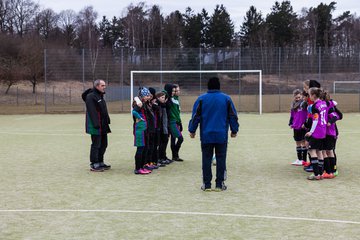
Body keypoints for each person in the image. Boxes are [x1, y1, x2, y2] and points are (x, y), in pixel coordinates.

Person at [188, 77, 239, 192]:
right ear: (219, 86)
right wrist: (234, 130)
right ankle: (219, 184)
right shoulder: (226, 99)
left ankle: (206, 185)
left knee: (206, 159)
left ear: (208, 86)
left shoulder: (201, 99)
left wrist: (192, 130)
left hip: (206, 135)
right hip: (221, 135)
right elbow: (232, 116)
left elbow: (196, 116)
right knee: (221, 159)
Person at [82, 79, 111, 172]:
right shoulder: (91, 96)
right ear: (97, 86)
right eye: (102, 85)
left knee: (104, 144)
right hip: (96, 125)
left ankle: (100, 161)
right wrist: (96, 124)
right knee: (96, 144)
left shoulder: (100, 95)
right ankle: (94, 164)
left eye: (104, 85)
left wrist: (107, 120)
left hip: (103, 124)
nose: (104, 87)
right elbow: (92, 112)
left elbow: (103, 109)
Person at [305, 87, 328, 180]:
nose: (309, 97)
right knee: (319, 152)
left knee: (312, 151)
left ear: (313, 95)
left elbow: (315, 119)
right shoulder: (324, 103)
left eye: (309, 95)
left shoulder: (315, 106)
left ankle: (316, 174)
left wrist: (311, 131)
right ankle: (321, 173)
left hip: (316, 131)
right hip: (323, 130)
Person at [132, 87, 153, 174]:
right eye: (147, 95)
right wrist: (140, 118)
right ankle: (137, 169)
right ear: (143, 96)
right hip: (140, 129)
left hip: (144, 129)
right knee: (140, 149)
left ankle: (142, 166)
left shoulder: (143, 102)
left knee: (144, 148)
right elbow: (134, 112)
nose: (149, 97)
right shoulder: (139, 104)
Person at [289, 89, 308, 166]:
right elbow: (292, 115)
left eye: (299, 97)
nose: (298, 99)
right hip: (296, 126)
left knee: (303, 142)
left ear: (302, 96)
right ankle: (299, 159)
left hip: (303, 126)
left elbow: (307, 114)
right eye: (296, 98)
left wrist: (306, 123)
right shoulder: (293, 105)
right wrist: (291, 122)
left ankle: (304, 160)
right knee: (297, 142)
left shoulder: (304, 104)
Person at [169, 84, 184, 161]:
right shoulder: (170, 99)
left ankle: (174, 156)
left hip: (177, 122)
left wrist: (180, 122)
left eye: (178, 90)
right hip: (172, 122)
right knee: (180, 139)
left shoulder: (176, 99)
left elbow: (177, 112)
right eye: (176, 90)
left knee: (173, 139)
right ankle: (175, 155)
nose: (178, 92)